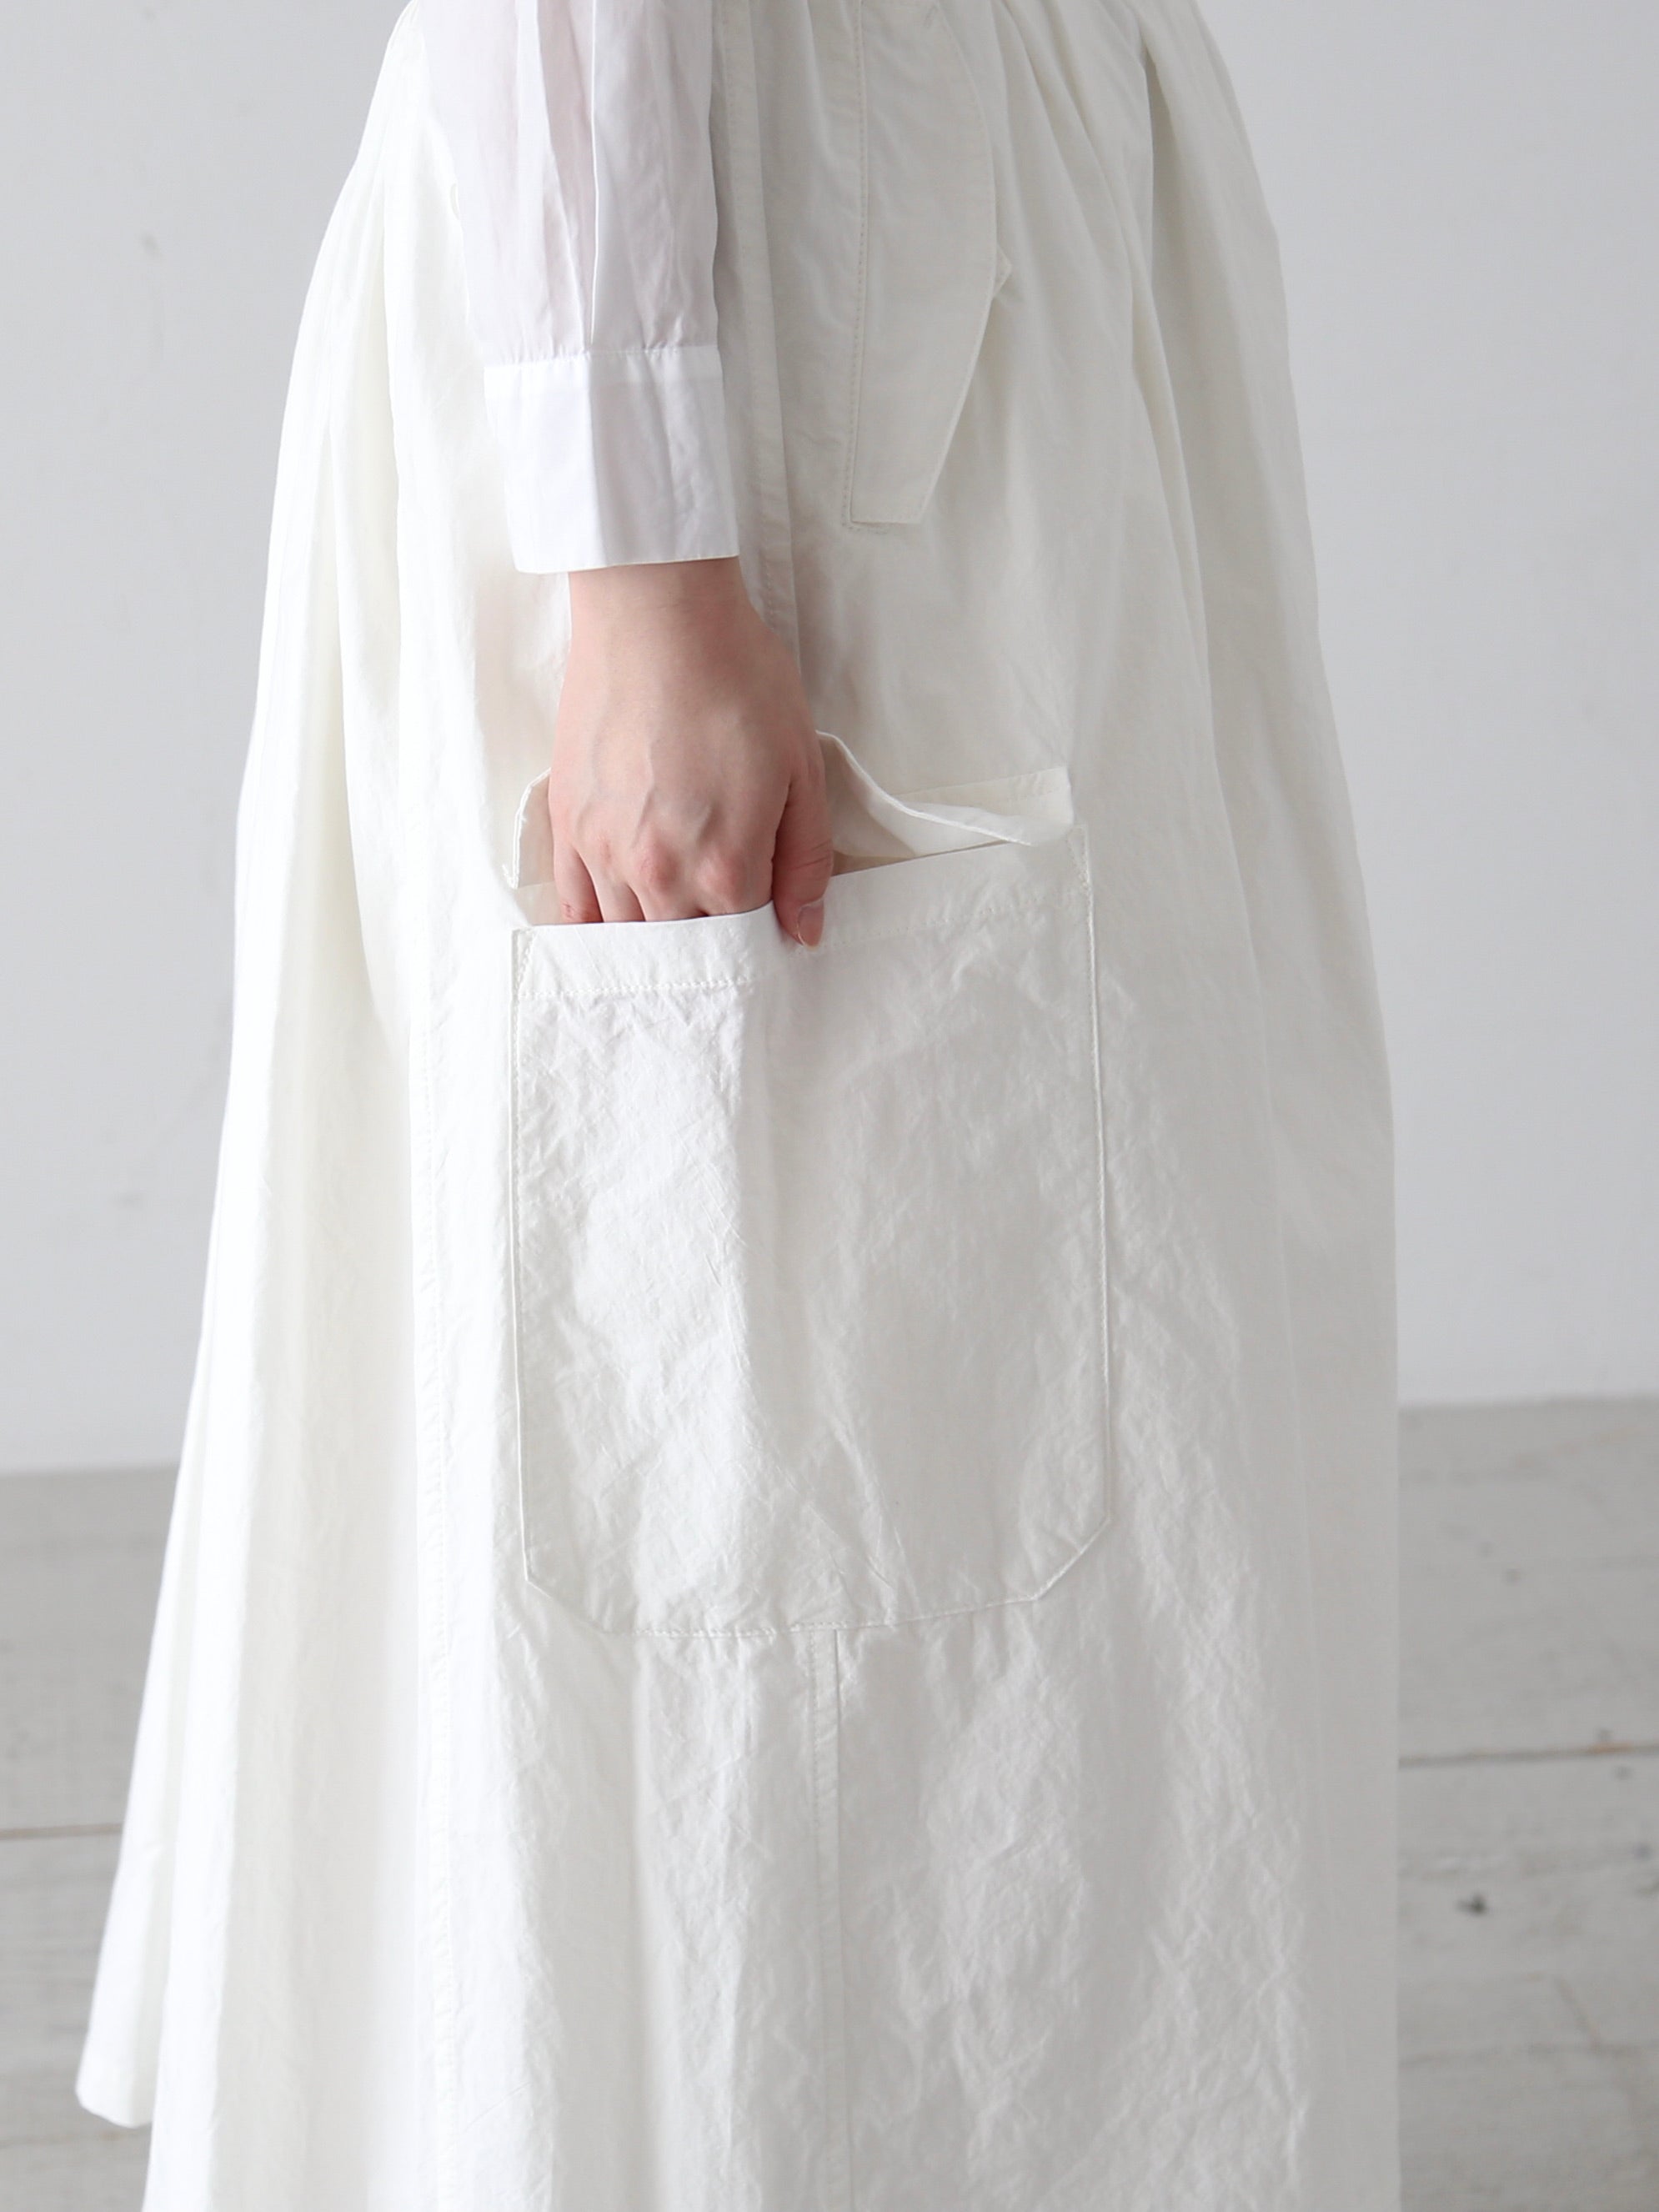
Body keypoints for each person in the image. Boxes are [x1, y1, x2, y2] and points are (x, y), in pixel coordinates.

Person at [78, 0, 1401, 2204]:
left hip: (934, 240)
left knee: (1050, 1378)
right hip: (788, 314)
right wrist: (644, 561)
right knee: (762, 1483)